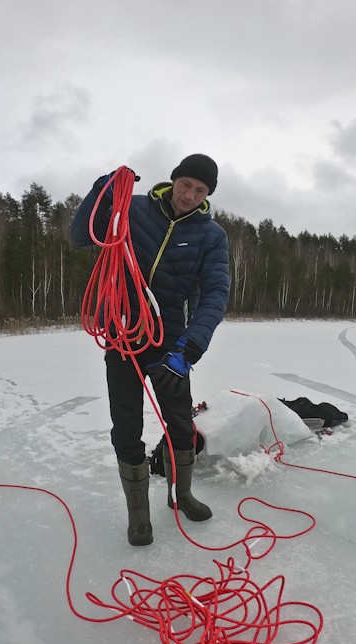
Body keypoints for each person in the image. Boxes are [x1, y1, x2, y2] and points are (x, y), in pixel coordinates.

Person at [71, 154, 230, 546]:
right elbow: (80, 236)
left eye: (200, 190)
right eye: (186, 184)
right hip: (123, 335)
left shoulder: (212, 236)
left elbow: (215, 295)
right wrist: (101, 191)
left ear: (207, 195)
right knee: (127, 428)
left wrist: (188, 349)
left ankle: (183, 495)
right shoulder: (133, 209)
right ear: (173, 180)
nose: (189, 195)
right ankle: (138, 516)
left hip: (170, 345)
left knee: (179, 423)